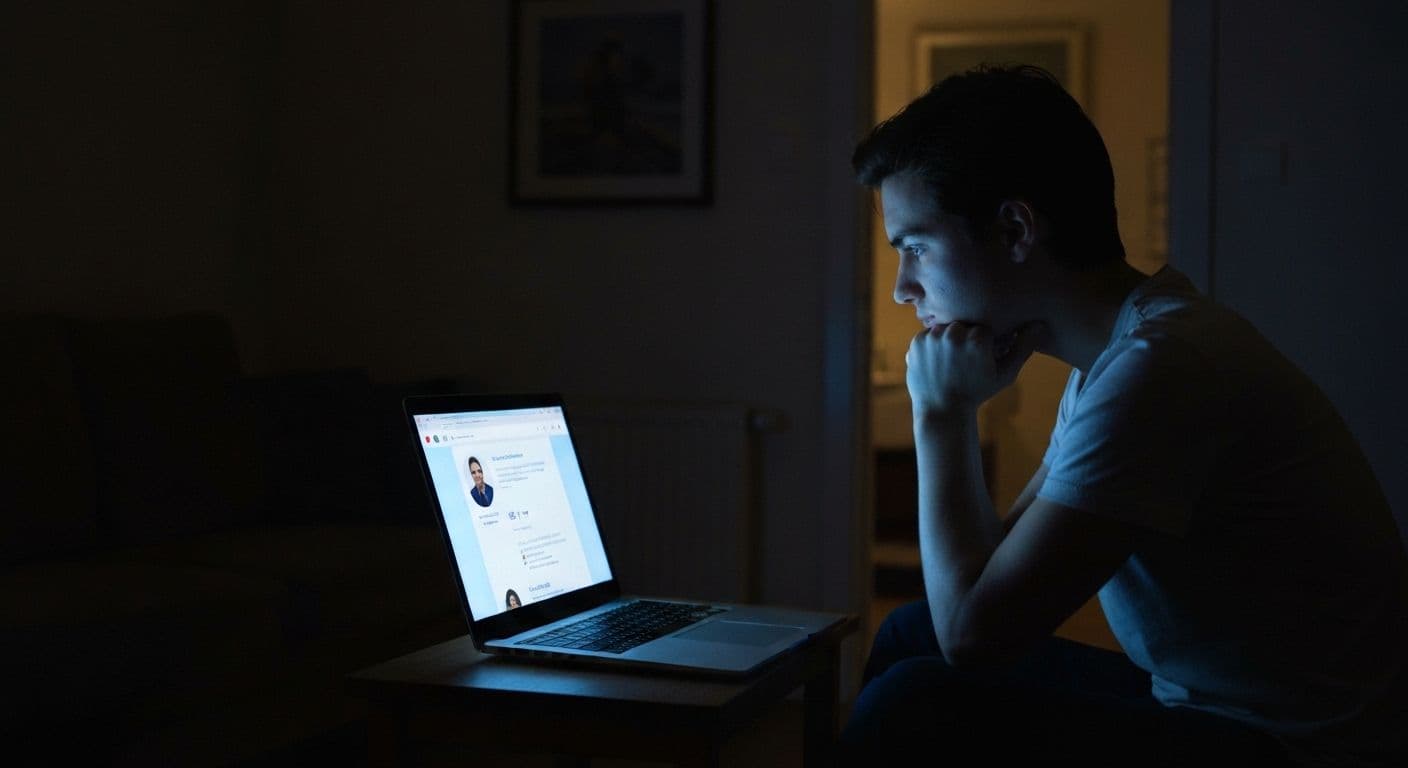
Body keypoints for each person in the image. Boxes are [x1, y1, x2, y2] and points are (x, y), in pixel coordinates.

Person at [842, 65, 1407, 766]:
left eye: (916, 248)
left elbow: (978, 637)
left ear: (1016, 228)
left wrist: (941, 416)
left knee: (916, 700)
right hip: (1205, 703)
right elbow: (991, 581)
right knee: (907, 636)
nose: (903, 289)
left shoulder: (1161, 369)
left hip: (1290, 745)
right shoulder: (1123, 354)